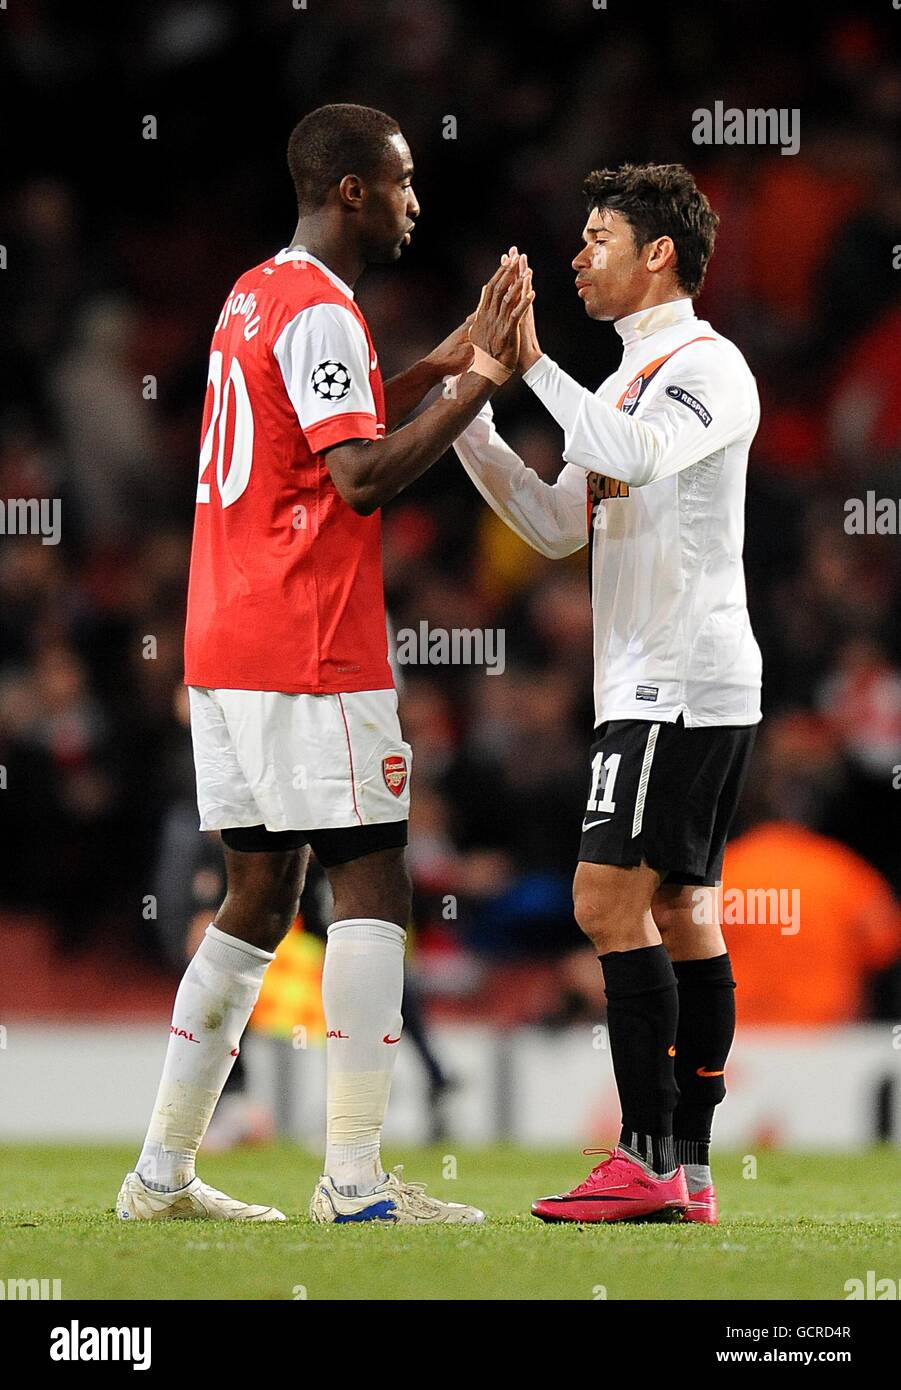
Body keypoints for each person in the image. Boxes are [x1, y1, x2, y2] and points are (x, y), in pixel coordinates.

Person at [116, 103, 532, 1226]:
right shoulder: (321, 310)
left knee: (256, 895)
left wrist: (442, 359)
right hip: (309, 642)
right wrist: (480, 385)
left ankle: (160, 1173)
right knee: (374, 878)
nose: (413, 202)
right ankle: (353, 1180)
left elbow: (320, 436)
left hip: (225, 641)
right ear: (350, 188)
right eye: (399, 182)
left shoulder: (257, 292)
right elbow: (356, 479)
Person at [455, 163, 762, 1223]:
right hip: (663, 674)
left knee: (602, 900)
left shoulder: (704, 366)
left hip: (675, 676)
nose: (577, 258)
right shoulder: (628, 377)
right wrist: (468, 412)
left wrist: (531, 364)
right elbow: (553, 524)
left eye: (595, 239)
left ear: (657, 253)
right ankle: (688, 1168)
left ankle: (644, 1157)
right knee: (678, 907)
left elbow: (632, 450)